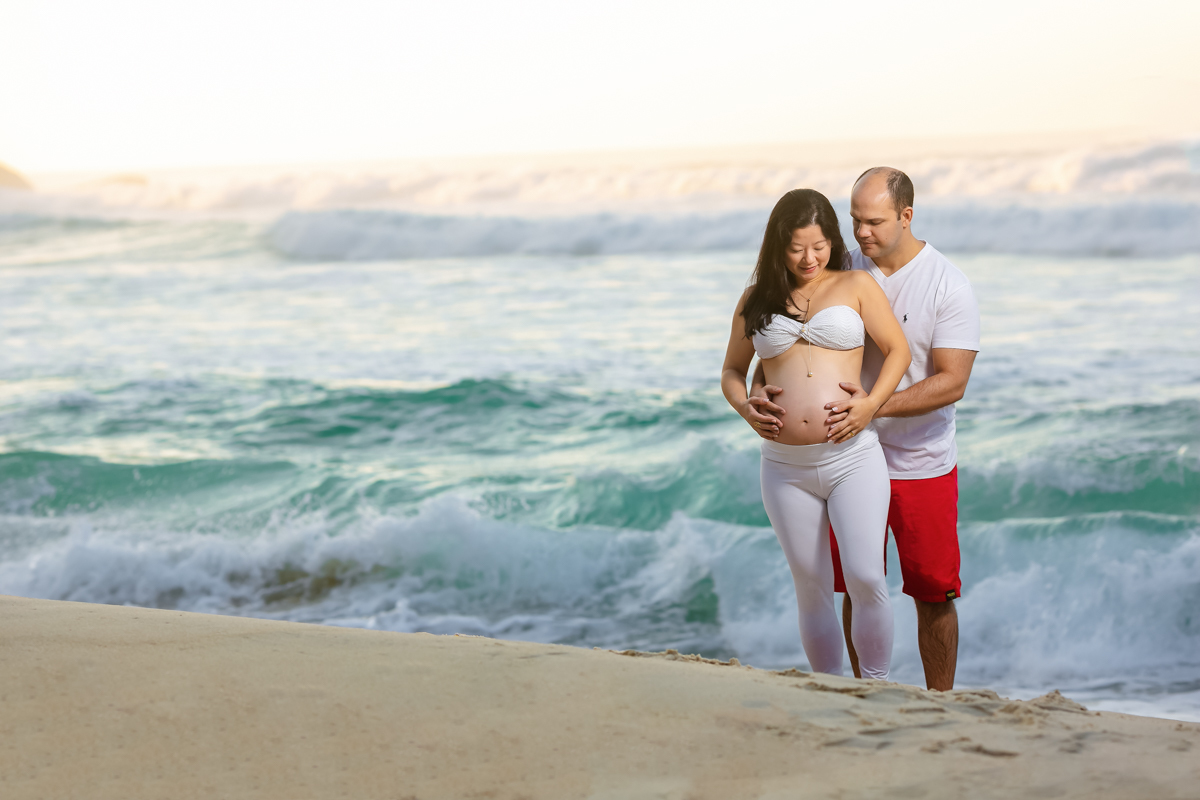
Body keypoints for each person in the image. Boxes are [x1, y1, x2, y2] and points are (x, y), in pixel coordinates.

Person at [747, 168, 980, 690]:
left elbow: (952, 382)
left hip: (920, 459)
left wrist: (871, 408)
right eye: (854, 220)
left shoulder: (948, 284)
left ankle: (938, 701)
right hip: (840, 453)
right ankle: (859, 695)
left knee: (932, 590)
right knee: (852, 583)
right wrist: (762, 385)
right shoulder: (836, 263)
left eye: (874, 221)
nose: (862, 233)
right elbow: (788, 341)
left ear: (906, 216)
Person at [721, 189, 910, 680]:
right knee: (811, 585)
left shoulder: (857, 286)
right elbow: (731, 372)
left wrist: (869, 406)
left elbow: (898, 353)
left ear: (833, 241)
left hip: (852, 457)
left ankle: (875, 687)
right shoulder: (756, 297)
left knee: (867, 576)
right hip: (784, 467)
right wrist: (746, 408)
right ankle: (827, 691)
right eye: (796, 247)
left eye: (820, 245)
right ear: (777, 244)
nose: (810, 258)